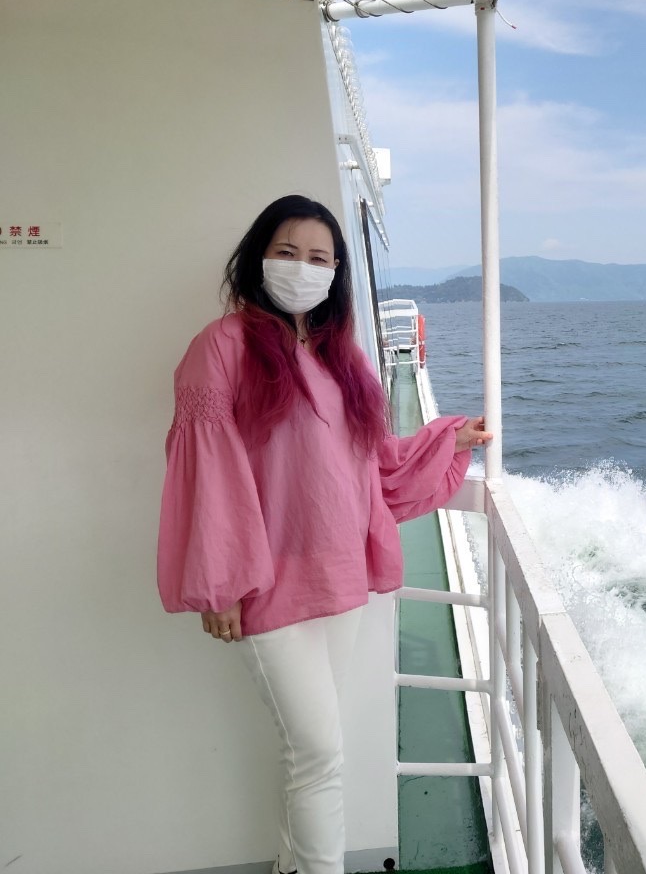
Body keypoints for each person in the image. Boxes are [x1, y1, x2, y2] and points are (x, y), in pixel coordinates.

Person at [156, 195, 490, 874]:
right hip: (263, 581)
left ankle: (292, 864)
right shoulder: (221, 347)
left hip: (340, 575)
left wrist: (447, 440)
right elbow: (209, 472)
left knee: (308, 753)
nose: (302, 268)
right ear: (258, 258)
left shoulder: (342, 356)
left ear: (336, 273)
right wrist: (222, 583)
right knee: (319, 755)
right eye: (287, 252)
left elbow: (368, 462)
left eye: (319, 258)